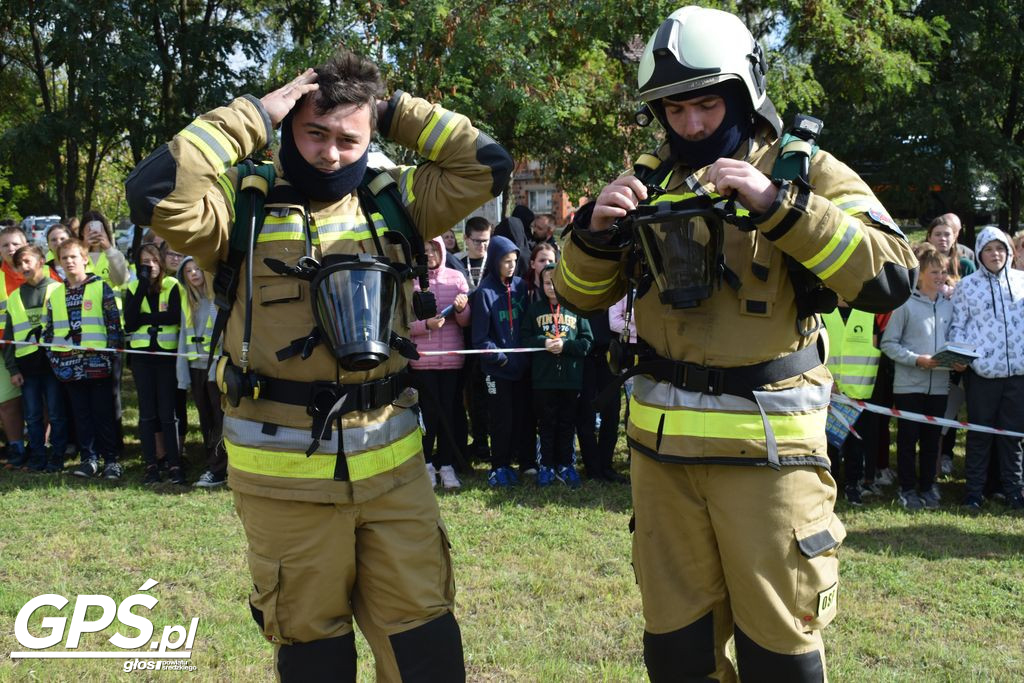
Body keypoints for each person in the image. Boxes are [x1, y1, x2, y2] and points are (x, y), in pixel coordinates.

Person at [553, 6, 917, 679]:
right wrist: (593, 236)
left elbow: (893, 272)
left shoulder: (803, 169)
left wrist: (782, 206)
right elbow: (577, 294)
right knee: (676, 652)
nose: (690, 125)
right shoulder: (646, 179)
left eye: (706, 105)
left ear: (744, 92)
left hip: (770, 464)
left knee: (779, 653)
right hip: (663, 466)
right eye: (674, 110)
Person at [125, 47, 511, 680]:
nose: (331, 152)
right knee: (314, 656)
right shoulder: (236, 210)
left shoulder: (398, 202)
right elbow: (152, 189)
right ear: (289, 126)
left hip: (394, 477)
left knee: (428, 653)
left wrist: (390, 112)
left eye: (348, 138)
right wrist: (254, 113)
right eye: (314, 133)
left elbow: (488, 164)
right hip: (284, 483)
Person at [947, 227, 1024, 511]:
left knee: (1013, 436)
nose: (996, 254)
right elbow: (957, 325)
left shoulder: (1022, 282)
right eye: (989, 249)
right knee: (979, 435)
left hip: (1017, 375)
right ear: (980, 253)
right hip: (983, 375)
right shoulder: (968, 286)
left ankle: (1014, 491)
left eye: (1001, 248)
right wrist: (961, 357)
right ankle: (974, 493)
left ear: (1009, 251)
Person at [880, 244, 961, 510]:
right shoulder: (905, 306)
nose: (940, 277)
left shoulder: (950, 307)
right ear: (921, 274)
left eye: (944, 272)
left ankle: (927, 487)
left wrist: (959, 361)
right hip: (908, 386)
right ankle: (906, 489)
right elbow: (888, 344)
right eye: (935, 272)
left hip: (939, 386)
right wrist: (917, 360)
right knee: (907, 440)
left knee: (930, 441)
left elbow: (956, 342)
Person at [42, 239, 123, 479]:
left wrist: (111, 356)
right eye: (64, 258)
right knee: (81, 415)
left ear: (85, 258)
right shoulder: (56, 294)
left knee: (102, 413)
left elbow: (113, 325)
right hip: (68, 367)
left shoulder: (100, 287)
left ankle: (111, 461)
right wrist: (55, 361)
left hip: (98, 365)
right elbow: (48, 333)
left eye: (74, 257)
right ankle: (89, 459)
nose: (69, 262)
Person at [407, 236, 470, 490]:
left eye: (434, 250)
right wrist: (426, 326)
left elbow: (466, 322)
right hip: (423, 361)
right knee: (428, 416)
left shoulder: (456, 278)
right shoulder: (410, 282)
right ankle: (426, 466)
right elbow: (402, 324)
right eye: (424, 251)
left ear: (443, 251)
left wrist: (462, 308)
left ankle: (447, 465)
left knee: (450, 414)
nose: (430, 254)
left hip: (452, 360)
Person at [123, 243, 188, 485]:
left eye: (152, 260)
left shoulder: (172, 285)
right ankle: (151, 464)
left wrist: (144, 318)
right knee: (147, 413)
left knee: (168, 412)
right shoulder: (133, 287)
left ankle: (174, 463)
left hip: (165, 356)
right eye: (144, 261)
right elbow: (129, 323)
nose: (149, 265)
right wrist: (141, 286)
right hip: (141, 357)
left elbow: (174, 316)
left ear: (160, 262)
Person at [522, 264, 592, 487]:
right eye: (546, 282)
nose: (551, 287)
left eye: (556, 282)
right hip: (543, 380)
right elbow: (524, 340)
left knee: (567, 422)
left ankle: (566, 464)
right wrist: (543, 343)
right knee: (546, 423)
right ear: (540, 284)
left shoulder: (576, 309)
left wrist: (566, 346)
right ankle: (546, 465)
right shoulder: (534, 310)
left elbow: (587, 342)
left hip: (571, 380)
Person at [472, 235, 532, 486]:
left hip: (522, 368)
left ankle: (525, 463)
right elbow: (479, 339)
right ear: (495, 261)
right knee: (501, 419)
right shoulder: (484, 292)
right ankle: (500, 466)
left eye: (515, 261)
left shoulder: (520, 286)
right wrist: (502, 359)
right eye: (506, 261)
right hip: (497, 371)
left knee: (523, 415)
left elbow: (527, 325)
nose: (511, 266)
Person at [3, 245, 64, 472]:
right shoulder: (15, 297)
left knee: (56, 413)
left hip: (53, 364)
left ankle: (57, 457)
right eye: (20, 264)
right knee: (33, 415)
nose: (24, 267)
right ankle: (37, 457)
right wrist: (12, 369)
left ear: (41, 261)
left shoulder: (59, 289)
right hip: (27, 367)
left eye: (28, 261)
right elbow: (9, 337)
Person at [175, 256, 227, 488]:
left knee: (220, 418)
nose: (194, 274)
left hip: (215, 369)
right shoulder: (187, 302)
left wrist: (216, 367)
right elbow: (183, 340)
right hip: (196, 368)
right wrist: (182, 375)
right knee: (205, 418)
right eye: (188, 271)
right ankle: (213, 463)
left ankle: (220, 468)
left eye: (198, 268)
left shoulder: (216, 300)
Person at [78, 210, 130, 288]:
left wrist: (108, 248)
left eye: (98, 230)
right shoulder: (75, 256)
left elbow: (121, 280)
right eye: (90, 230)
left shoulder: (115, 255)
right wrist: (84, 249)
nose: (95, 233)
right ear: (82, 232)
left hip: (110, 299)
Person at [926, 216, 974, 280]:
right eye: (938, 234)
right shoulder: (920, 264)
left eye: (947, 234)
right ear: (929, 238)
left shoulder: (966, 265)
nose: (942, 238)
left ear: (954, 237)